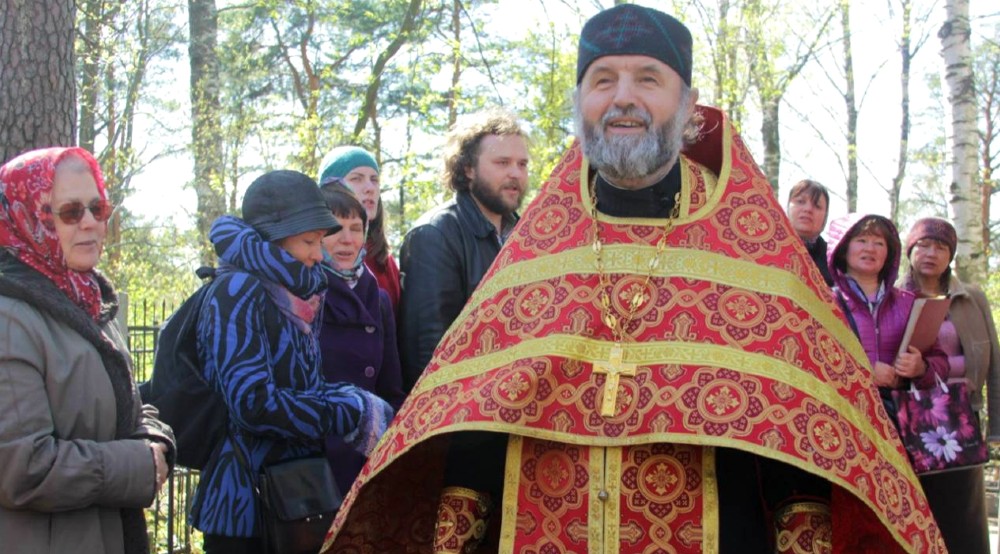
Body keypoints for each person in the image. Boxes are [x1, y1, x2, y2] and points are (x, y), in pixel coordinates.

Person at [321, 6, 943, 553]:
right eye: (602, 80)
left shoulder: (754, 245)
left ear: (687, 103)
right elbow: (480, 422)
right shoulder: (539, 243)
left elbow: (803, 440)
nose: (623, 98)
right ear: (580, 102)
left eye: (648, 78)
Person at [190, 170, 393, 554]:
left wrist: (352, 399)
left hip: (296, 496)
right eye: (308, 241)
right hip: (244, 507)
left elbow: (303, 386)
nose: (318, 253)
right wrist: (344, 411)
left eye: (319, 240)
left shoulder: (299, 294)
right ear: (273, 239)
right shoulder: (236, 289)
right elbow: (252, 404)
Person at [0, 147, 176, 554]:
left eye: (98, 208)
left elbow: (124, 409)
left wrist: (157, 440)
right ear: (28, 218)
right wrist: (138, 464)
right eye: (70, 212)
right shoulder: (10, 318)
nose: (91, 223)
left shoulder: (93, 304)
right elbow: (22, 467)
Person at [397, 108, 530, 391]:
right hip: (461, 406)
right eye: (502, 162)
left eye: (522, 164)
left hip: (514, 400)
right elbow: (427, 353)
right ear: (468, 168)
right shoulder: (435, 234)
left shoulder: (528, 235)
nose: (515, 173)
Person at [901, 217, 999, 553]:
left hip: (964, 417)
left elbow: (994, 363)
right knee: (922, 512)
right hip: (915, 418)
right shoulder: (896, 297)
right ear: (910, 250)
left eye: (941, 247)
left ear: (951, 255)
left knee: (966, 516)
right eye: (924, 245)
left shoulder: (971, 298)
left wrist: (996, 428)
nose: (931, 253)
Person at [317, 180, 406, 496]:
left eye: (356, 228)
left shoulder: (378, 300)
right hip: (317, 465)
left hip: (367, 460)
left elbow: (391, 388)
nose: (347, 239)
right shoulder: (302, 296)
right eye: (334, 229)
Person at [826, 214, 948, 414]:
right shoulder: (825, 302)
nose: (870, 249)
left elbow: (941, 362)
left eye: (879, 243)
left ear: (889, 253)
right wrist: (865, 373)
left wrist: (921, 368)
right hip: (845, 417)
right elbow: (811, 362)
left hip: (899, 420)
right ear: (843, 248)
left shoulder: (909, 303)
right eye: (861, 240)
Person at [318, 146, 401, 312]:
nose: (370, 188)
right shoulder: (309, 258)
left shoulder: (385, 260)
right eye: (357, 179)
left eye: (374, 180)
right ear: (332, 189)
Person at [787, 179, 833, 285]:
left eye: (817, 206)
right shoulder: (765, 249)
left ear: (825, 216)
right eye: (800, 201)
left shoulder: (834, 260)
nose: (808, 209)